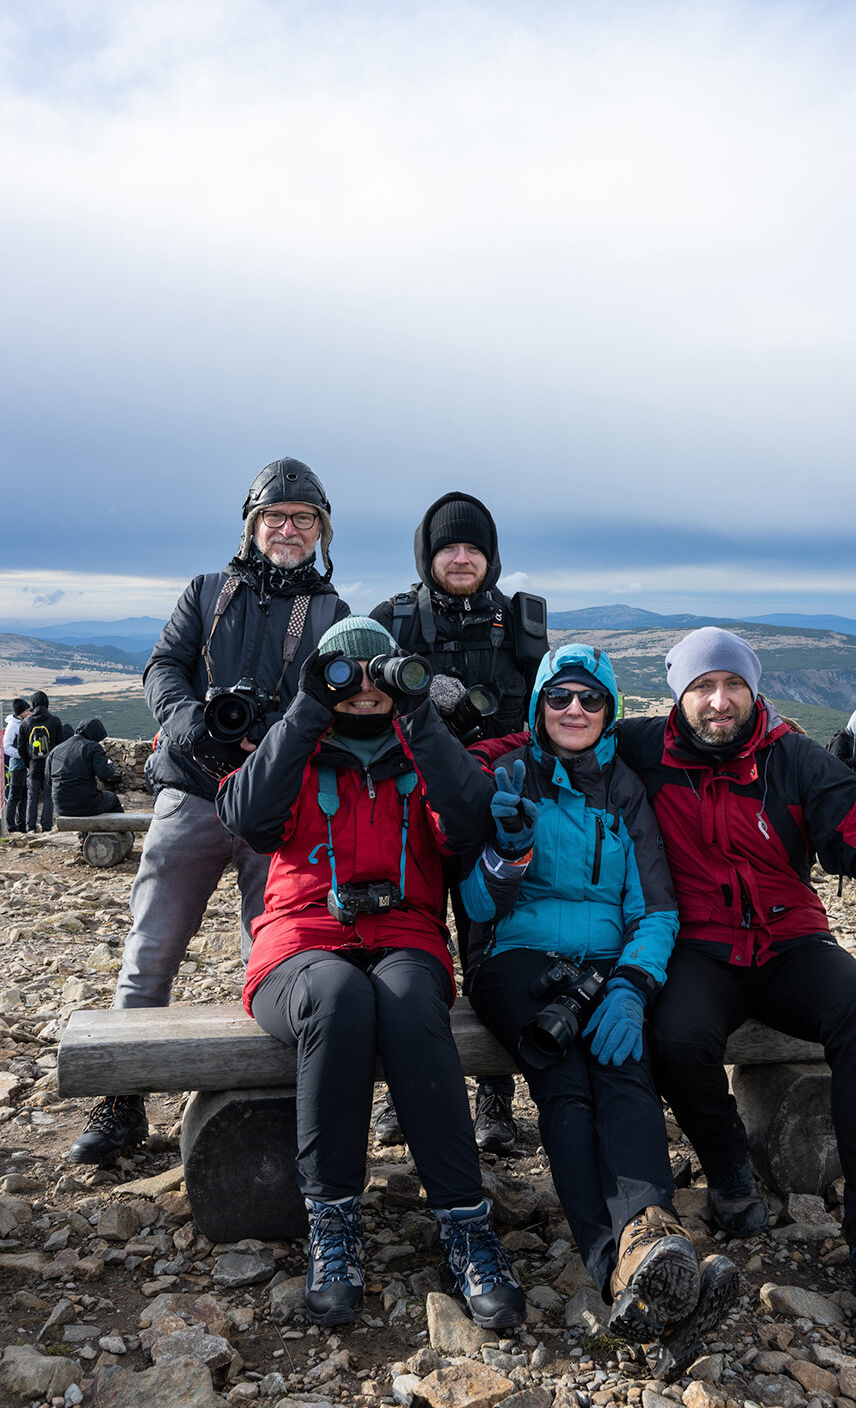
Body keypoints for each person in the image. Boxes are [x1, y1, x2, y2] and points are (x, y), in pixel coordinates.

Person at [615, 626, 856, 1321]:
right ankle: (730, 1165)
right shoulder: (642, 748)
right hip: (700, 947)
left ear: (753, 689)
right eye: (703, 686)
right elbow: (557, 742)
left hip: (791, 942)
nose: (720, 700)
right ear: (680, 695)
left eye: (733, 684)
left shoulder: (796, 759)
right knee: (674, 1036)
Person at [217, 616, 525, 1332]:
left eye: (377, 673)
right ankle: (333, 1223)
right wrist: (306, 708)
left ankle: (465, 1223)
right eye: (342, 675)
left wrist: (418, 715)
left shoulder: (424, 753)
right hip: (299, 944)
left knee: (412, 998)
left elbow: (473, 822)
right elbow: (246, 814)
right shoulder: (294, 750)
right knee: (337, 995)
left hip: (406, 933)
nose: (362, 690)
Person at [68, 457, 349, 1166]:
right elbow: (164, 663)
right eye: (275, 516)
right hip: (191, 791)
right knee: (152, 949)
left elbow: (337, 699)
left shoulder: (330, 613)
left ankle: (272, 1096)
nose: (288, 529)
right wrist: (190, 720)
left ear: (320, 531)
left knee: (276, 950)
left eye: (303, 518)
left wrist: (280, 733)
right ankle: (122, 1099)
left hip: (275, 803)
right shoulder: (206, 592)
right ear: (252, 524)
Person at [460, 643, 709, 1345]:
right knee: (564, 1080)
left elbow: (655, 909)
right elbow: (477, 906)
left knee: (625, 1073)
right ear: (540, 708)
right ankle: (616, 1266)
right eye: (560, 697)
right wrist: (506, 854)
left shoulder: (625, 790)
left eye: (590, 698)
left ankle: (648, 1237)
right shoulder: (509, 776)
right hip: (514, 959)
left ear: (610, 711)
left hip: (604, 964)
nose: (575, 709)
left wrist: (632, 983)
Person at [370, 491, 548, 1153]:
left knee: (491, 951)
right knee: (406, 952)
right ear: (428, 554)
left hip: (494, 813)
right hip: (406, 812)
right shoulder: (390, 620)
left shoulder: (522, 625)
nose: (463, 558)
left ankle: (495, 1099)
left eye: (474, 547)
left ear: (492, 556)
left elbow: (545, 721)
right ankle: (399, 1093)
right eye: (450, 547)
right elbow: (356, 708)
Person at [47, 718, 124, 818]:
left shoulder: (56, 750)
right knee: (112, 798)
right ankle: (125, 832)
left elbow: (49, 781)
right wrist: (110, 765)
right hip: (87, 804)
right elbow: (104, 775)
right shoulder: (93, 747)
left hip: (61, 807)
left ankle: (84, 833)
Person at [18, 691, 62, 833]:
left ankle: (30, 827)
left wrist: (27, 763)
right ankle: (47, 826)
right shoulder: (54, 720)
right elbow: (61, 745)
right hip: (51, 765)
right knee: (49, 796)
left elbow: (21, 747)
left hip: (34, 764)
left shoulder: (26, 722)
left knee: (32, 797)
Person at [3, 699, 30, 833]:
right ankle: (11, 826)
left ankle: (21, 825)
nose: (29, 713)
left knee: (24, 797)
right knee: (15, 797)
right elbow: (6, 747)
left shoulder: (24, 723)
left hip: (26, 765)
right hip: (17, 766)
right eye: (26, 711)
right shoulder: (13, 726)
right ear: (20, 713)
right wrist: (22, 755)